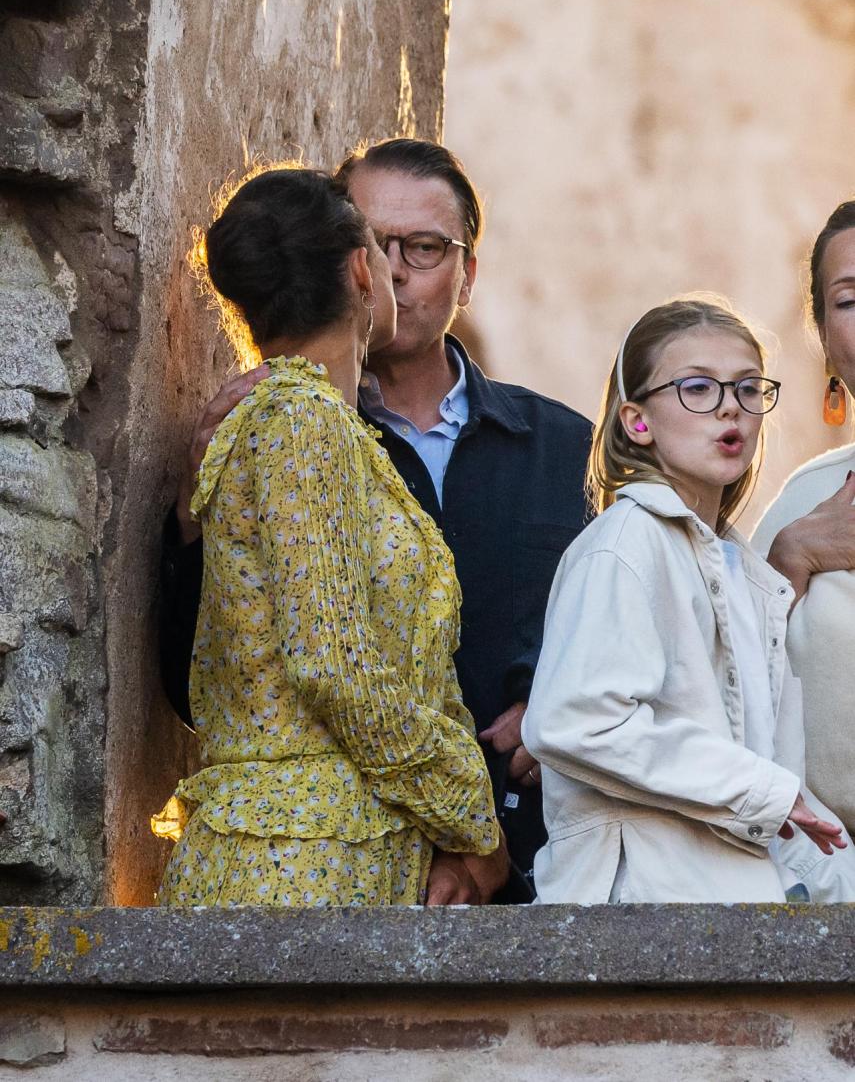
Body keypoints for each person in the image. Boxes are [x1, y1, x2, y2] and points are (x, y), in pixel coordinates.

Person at [159, 139, 592, 903]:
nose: (395, 268)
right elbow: (314, 667)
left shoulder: (566, 448)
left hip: (511, 855)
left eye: (422, 248)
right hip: (311, 862)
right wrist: (469, 814)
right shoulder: (300, 423)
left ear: (467, 273)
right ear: (353, 264)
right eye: (375, 242)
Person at [522, 297, 851, 904]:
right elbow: (577, 720)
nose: (731, 406)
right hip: (637, 915)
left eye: (749, 388)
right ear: (637, 421)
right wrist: (767, 794)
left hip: (729, 908)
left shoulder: (738, 567)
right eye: (697, 387)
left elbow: (773, 778)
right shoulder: (624, 543)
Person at [753, 200, 855, 833]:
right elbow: (724, 692)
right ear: (823, 334)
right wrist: (787, 562)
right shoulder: (800, 501)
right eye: (849, 300)